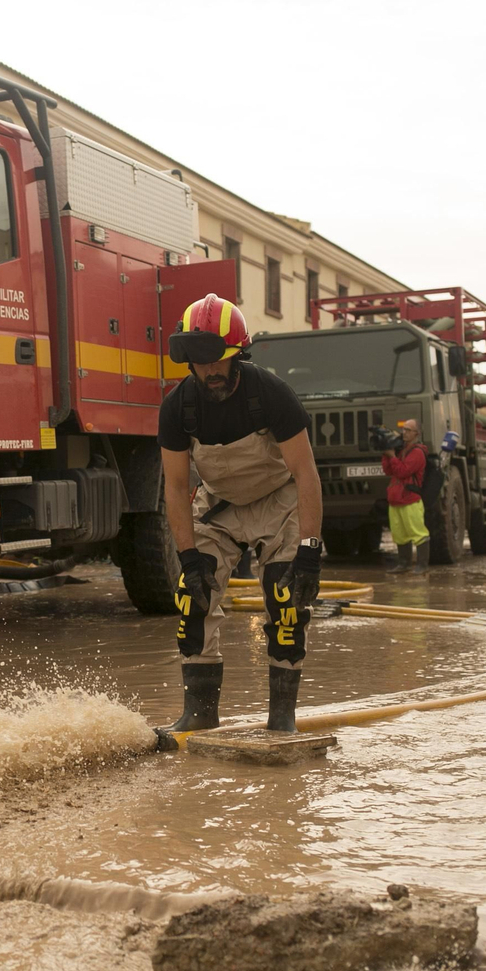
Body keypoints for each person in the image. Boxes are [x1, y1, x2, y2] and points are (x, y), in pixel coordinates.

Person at [155, 293, 324, 742]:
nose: (210, 370)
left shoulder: (271, 393)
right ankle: (199, 715)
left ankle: (281, 720)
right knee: (192, 598)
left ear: (238, 354)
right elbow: (175, 487)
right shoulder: (177, 407)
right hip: (220, 505)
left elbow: (306, 474)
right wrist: (188, 558)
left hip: (279, 502)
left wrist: (310, 552)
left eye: (218, 359)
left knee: (286, 601)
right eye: (200, 361)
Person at [380, 419, 430, 575]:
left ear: (417, 433)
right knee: (399, 534)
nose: (404, 433)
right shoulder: (402, 450)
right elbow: (388, 471)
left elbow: (403, 471)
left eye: (408, 430)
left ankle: (422, 565)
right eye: (404, 429)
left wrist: (392, 456)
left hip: (410, 500)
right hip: (395, 500)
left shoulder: (417, 452)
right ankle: (404, 564)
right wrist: (386, 455)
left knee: (418, 533)